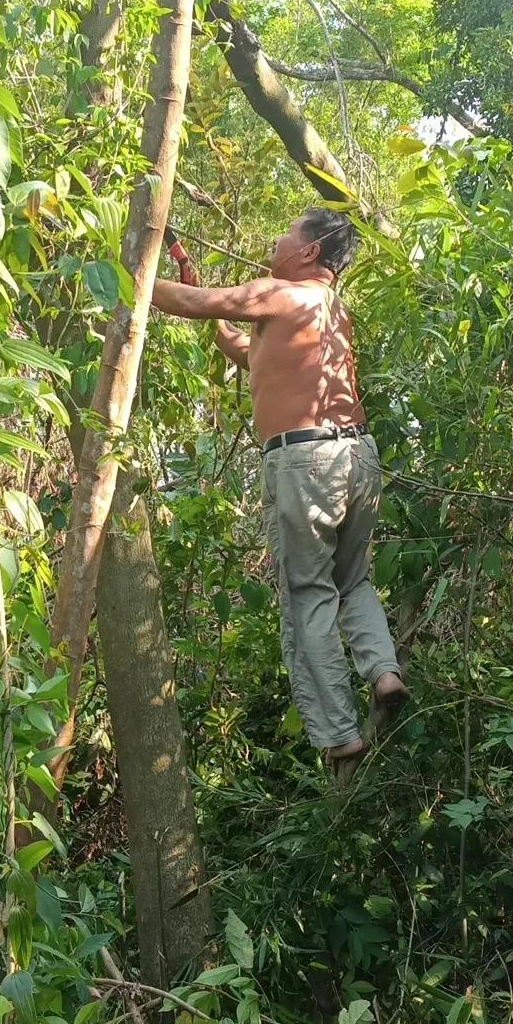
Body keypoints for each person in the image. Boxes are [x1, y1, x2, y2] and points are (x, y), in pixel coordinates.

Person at [150, 207, 407, 775]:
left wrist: (126, 273)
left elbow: (194, 304)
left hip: (305, 460)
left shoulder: (283, 293)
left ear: (310, 251)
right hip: (356, 455)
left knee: (308, 592)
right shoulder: (330, 311)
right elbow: (239, 345)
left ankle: (341, 736)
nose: (274, 237)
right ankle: (384, 674)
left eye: (287, 231)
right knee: (352, 580)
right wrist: (181, 260)